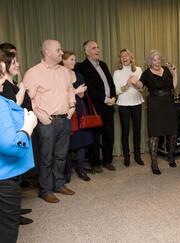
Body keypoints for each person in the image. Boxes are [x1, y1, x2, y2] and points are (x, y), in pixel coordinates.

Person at [23, 40, 76, 203]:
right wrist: (39, 115)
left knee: (61, 155)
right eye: (58, 50)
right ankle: (45, 190)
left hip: (65, 120)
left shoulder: (64, 71)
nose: (61, 53)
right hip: (47, 121)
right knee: (46, 158)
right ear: (47, 52)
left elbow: (70, 91)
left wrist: (72, 106)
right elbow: (27, 99)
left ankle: (58, 183)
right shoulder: (33, 73)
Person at [0, 55, 38, 243]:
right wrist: (27, 127)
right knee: (7, 230)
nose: (3, 79)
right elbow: (11, 146)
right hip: (4, 176)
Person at [77, 40, 117, 172]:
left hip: (109, 106)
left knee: (109, 135)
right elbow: (89, 88)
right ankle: (95, 163)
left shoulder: (104, 65)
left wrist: (113, 97)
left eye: (98, 48)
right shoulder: (82, 67)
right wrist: (105, 99)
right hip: (95, 107)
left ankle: (107, 161)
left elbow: (110, 83)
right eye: (94, 48)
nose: (97, 50)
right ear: (87, 51)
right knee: (95, 137)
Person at [138, 50, 178, 175]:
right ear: (150, 61)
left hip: (168, 103)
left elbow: (174, 86)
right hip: (155, 104)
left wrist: (175, 74)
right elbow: (140, 86)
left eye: (159, 59)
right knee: (154, 134)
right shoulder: (146, 74)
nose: (157, 62)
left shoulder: (166, 70)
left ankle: (171, 156)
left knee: (173, 132)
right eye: (154, 60)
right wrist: (134, 82)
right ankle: (154, 162)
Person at [61, 51, 94, 182]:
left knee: (82, 142)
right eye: (71, 59)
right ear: (63, 61)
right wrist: (76, 91)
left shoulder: (79, 75)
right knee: (67, 143)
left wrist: (80, 93)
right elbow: (59, 95)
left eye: (75, 59)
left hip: (80, 109)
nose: (74, 62)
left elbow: (83, 95)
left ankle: (81, 171)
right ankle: (67, 173)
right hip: (66, 111)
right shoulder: (59, 75)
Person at [113, 49, 144, 167]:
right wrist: (127, 84)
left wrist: (135, 83)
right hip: (123, 105)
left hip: (137, 103)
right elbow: (116, 91)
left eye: (126, 56)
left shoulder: (139, 70)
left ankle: (137, 156)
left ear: (131, 57)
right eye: (122, 56)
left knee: (137, 131)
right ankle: (126, 157)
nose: (124, 58)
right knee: (125, 132)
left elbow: (142, 89)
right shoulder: (117, 72)